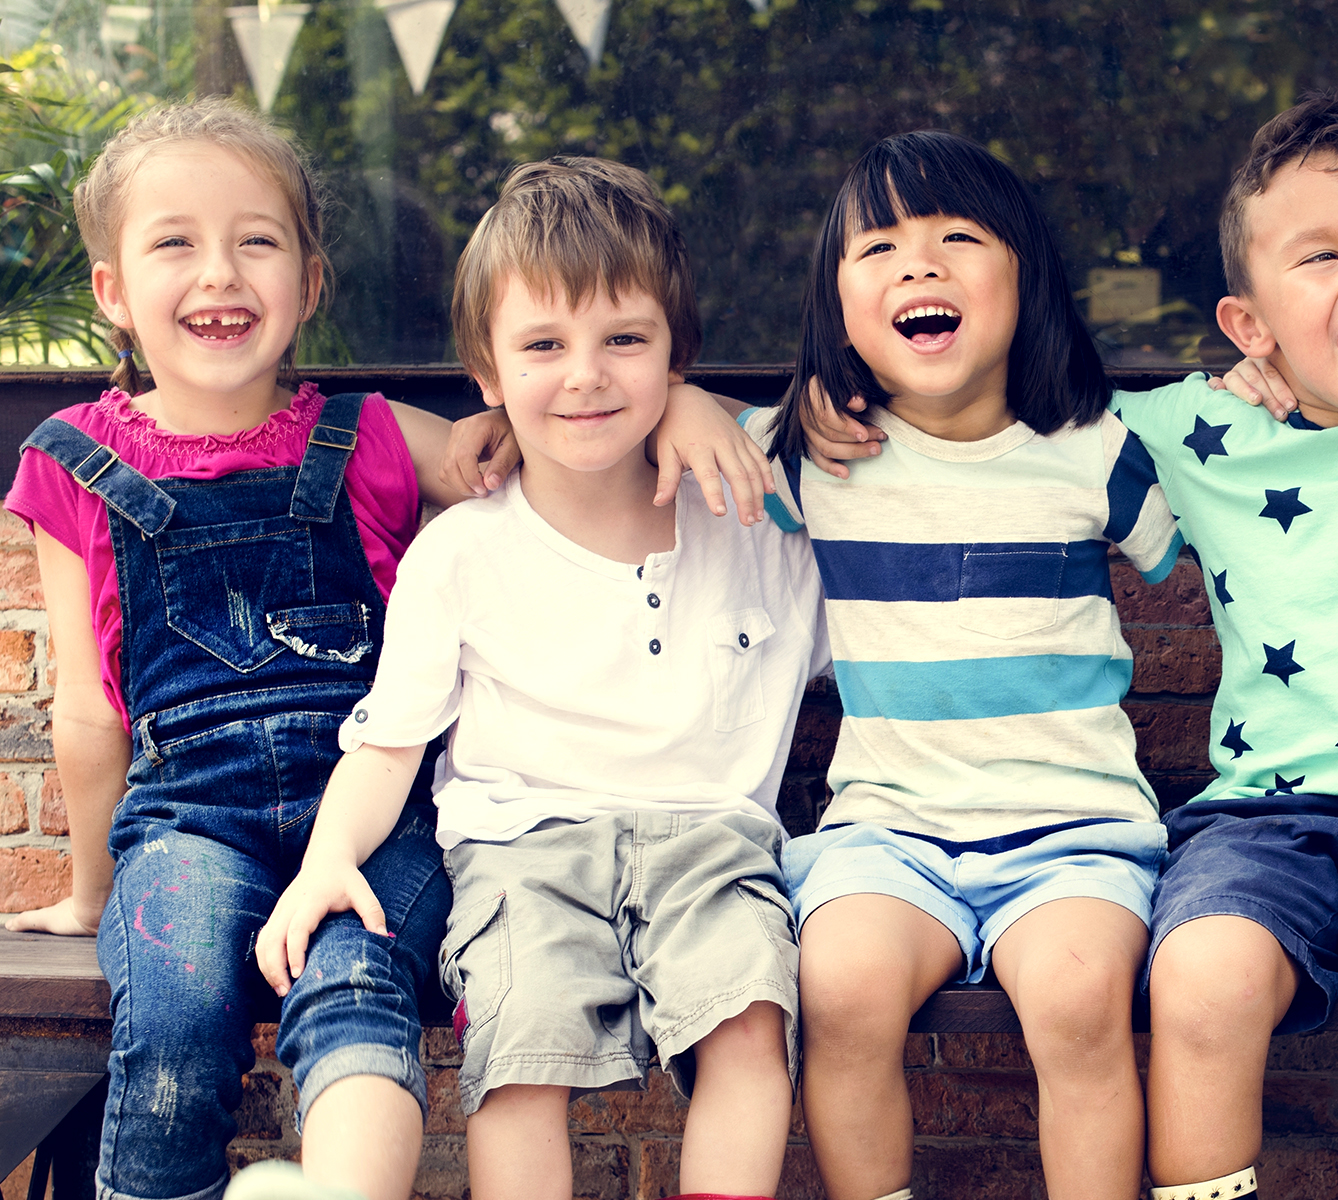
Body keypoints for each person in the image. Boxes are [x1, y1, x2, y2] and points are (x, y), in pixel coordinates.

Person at [252, 156, 826, 1200]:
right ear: (488, 374)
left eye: (626, 342)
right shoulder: (465, 552)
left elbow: (875, 428)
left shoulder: (761, 516)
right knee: (518, 1061)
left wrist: (714, 413)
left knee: (751, 1026)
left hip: (713, 837)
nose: (586, 375)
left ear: (675, 354)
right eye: (544, 346)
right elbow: (390, 744)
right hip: (521, 847)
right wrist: (328, 857)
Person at [0, 97, 488, 1200]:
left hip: (373, 820)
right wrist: (92, 891)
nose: (219, 272)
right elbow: (89, 712)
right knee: (170, 1011)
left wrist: (687, 417)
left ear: (309, 283)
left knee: (356, 979)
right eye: (175, 241)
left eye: (256, 241)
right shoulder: (75, 461)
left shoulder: (369, 438)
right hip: (189, 829)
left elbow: (544, 456)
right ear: (114, 293)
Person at [726, 130, 1182, 1200]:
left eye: (958, 239)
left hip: (1075, 830)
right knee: (839, 990)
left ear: (1024, 279)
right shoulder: (809, 459)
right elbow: (654, 418)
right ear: (835, 304)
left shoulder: (1097, 453)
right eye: (878, 248)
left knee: (1077, 1004)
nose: (919, 267)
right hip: (891, 831)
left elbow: (1204, 537)